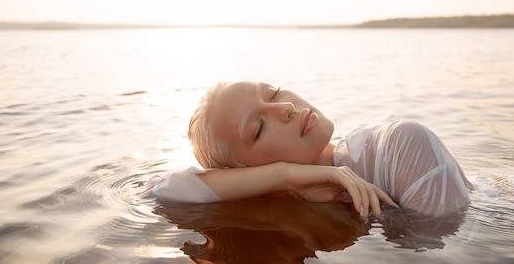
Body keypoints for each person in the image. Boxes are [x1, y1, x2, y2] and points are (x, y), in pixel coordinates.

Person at [148, 81, 473, 218]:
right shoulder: (300, 206)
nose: (287, 106)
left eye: (273, 93)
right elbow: (159, 190)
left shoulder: (400, 145)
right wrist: (286, 175)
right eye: (259, 127)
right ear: (250, 174)